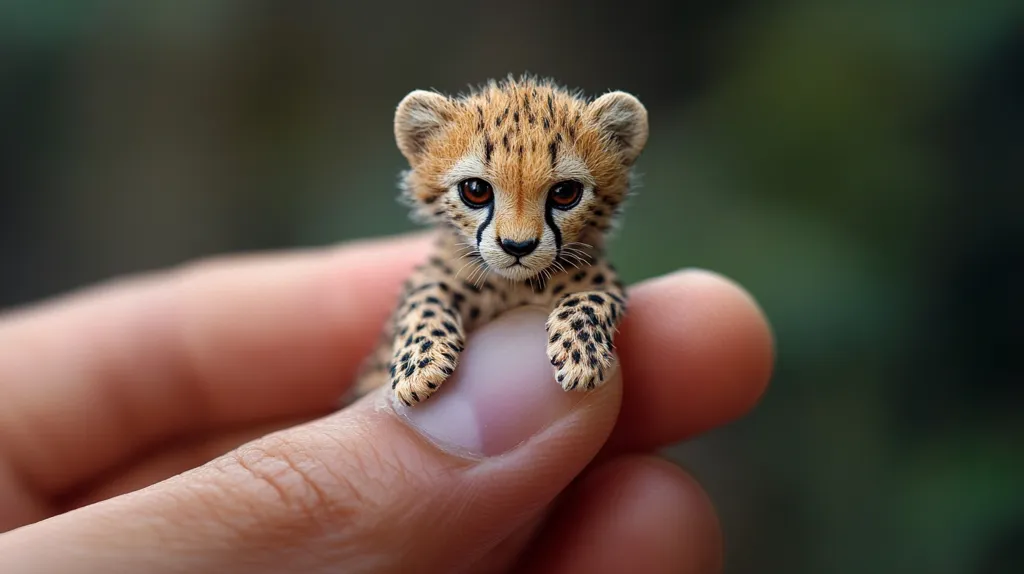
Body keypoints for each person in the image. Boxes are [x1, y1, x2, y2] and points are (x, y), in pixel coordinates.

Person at [0, 232, 773, 573]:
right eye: (479, 193)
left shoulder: (591, 279)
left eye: (561, 196)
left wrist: (581, 316)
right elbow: (420, 329)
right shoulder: (435, 276)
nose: (517, 232)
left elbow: (600, 299)